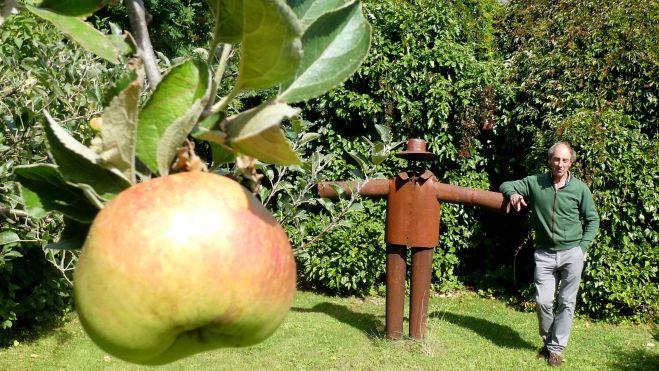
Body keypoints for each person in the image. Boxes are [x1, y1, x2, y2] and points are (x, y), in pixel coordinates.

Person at [499, 141, 599, 367]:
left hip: (572, 252)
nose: (560, 164)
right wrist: (513, 194)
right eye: (556, 159)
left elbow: (592, 219)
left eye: (564, 160)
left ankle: (555, 349)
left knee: (566, 302)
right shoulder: (536, 182)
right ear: (549, 160)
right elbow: (506, 184)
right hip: (544, 254)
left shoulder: (580, 189)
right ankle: (547, 341)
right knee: (543, 301)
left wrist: (582, 248)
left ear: (570, 162)